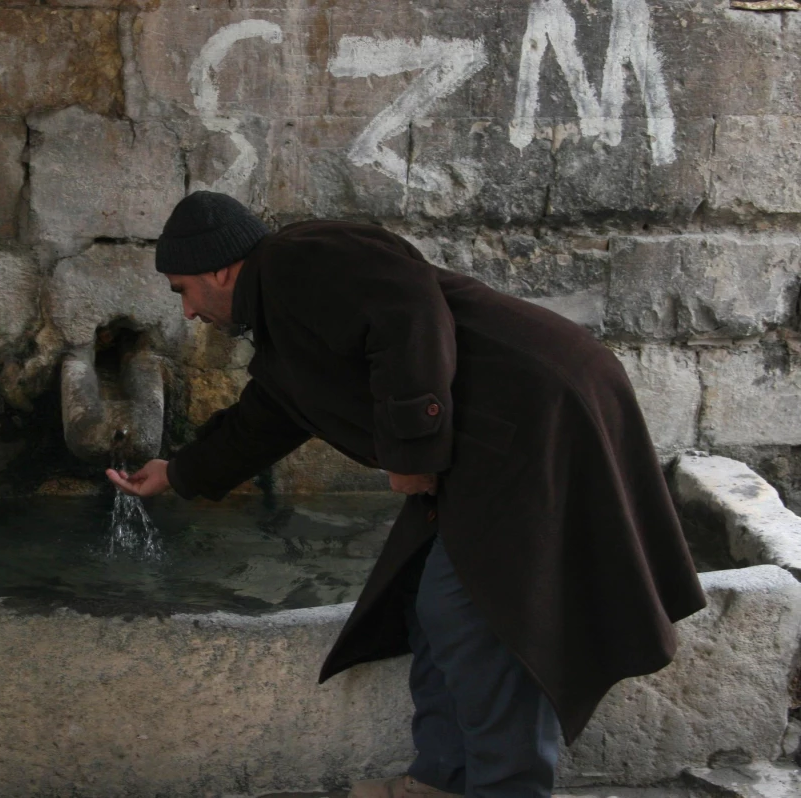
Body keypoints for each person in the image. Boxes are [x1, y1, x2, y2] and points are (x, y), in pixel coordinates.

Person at [105, 191, 706, 798]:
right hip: (508, 425)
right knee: (425, 592)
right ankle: (442, 779)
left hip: (536, 413)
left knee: (476, 612)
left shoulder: (299, 257)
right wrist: (176, 472)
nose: (185, 312)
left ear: (220, 268)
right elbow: (269, 416)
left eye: (182, 289)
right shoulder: (284, 318)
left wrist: (410, 451)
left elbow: (409, 313)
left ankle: (508, 788)